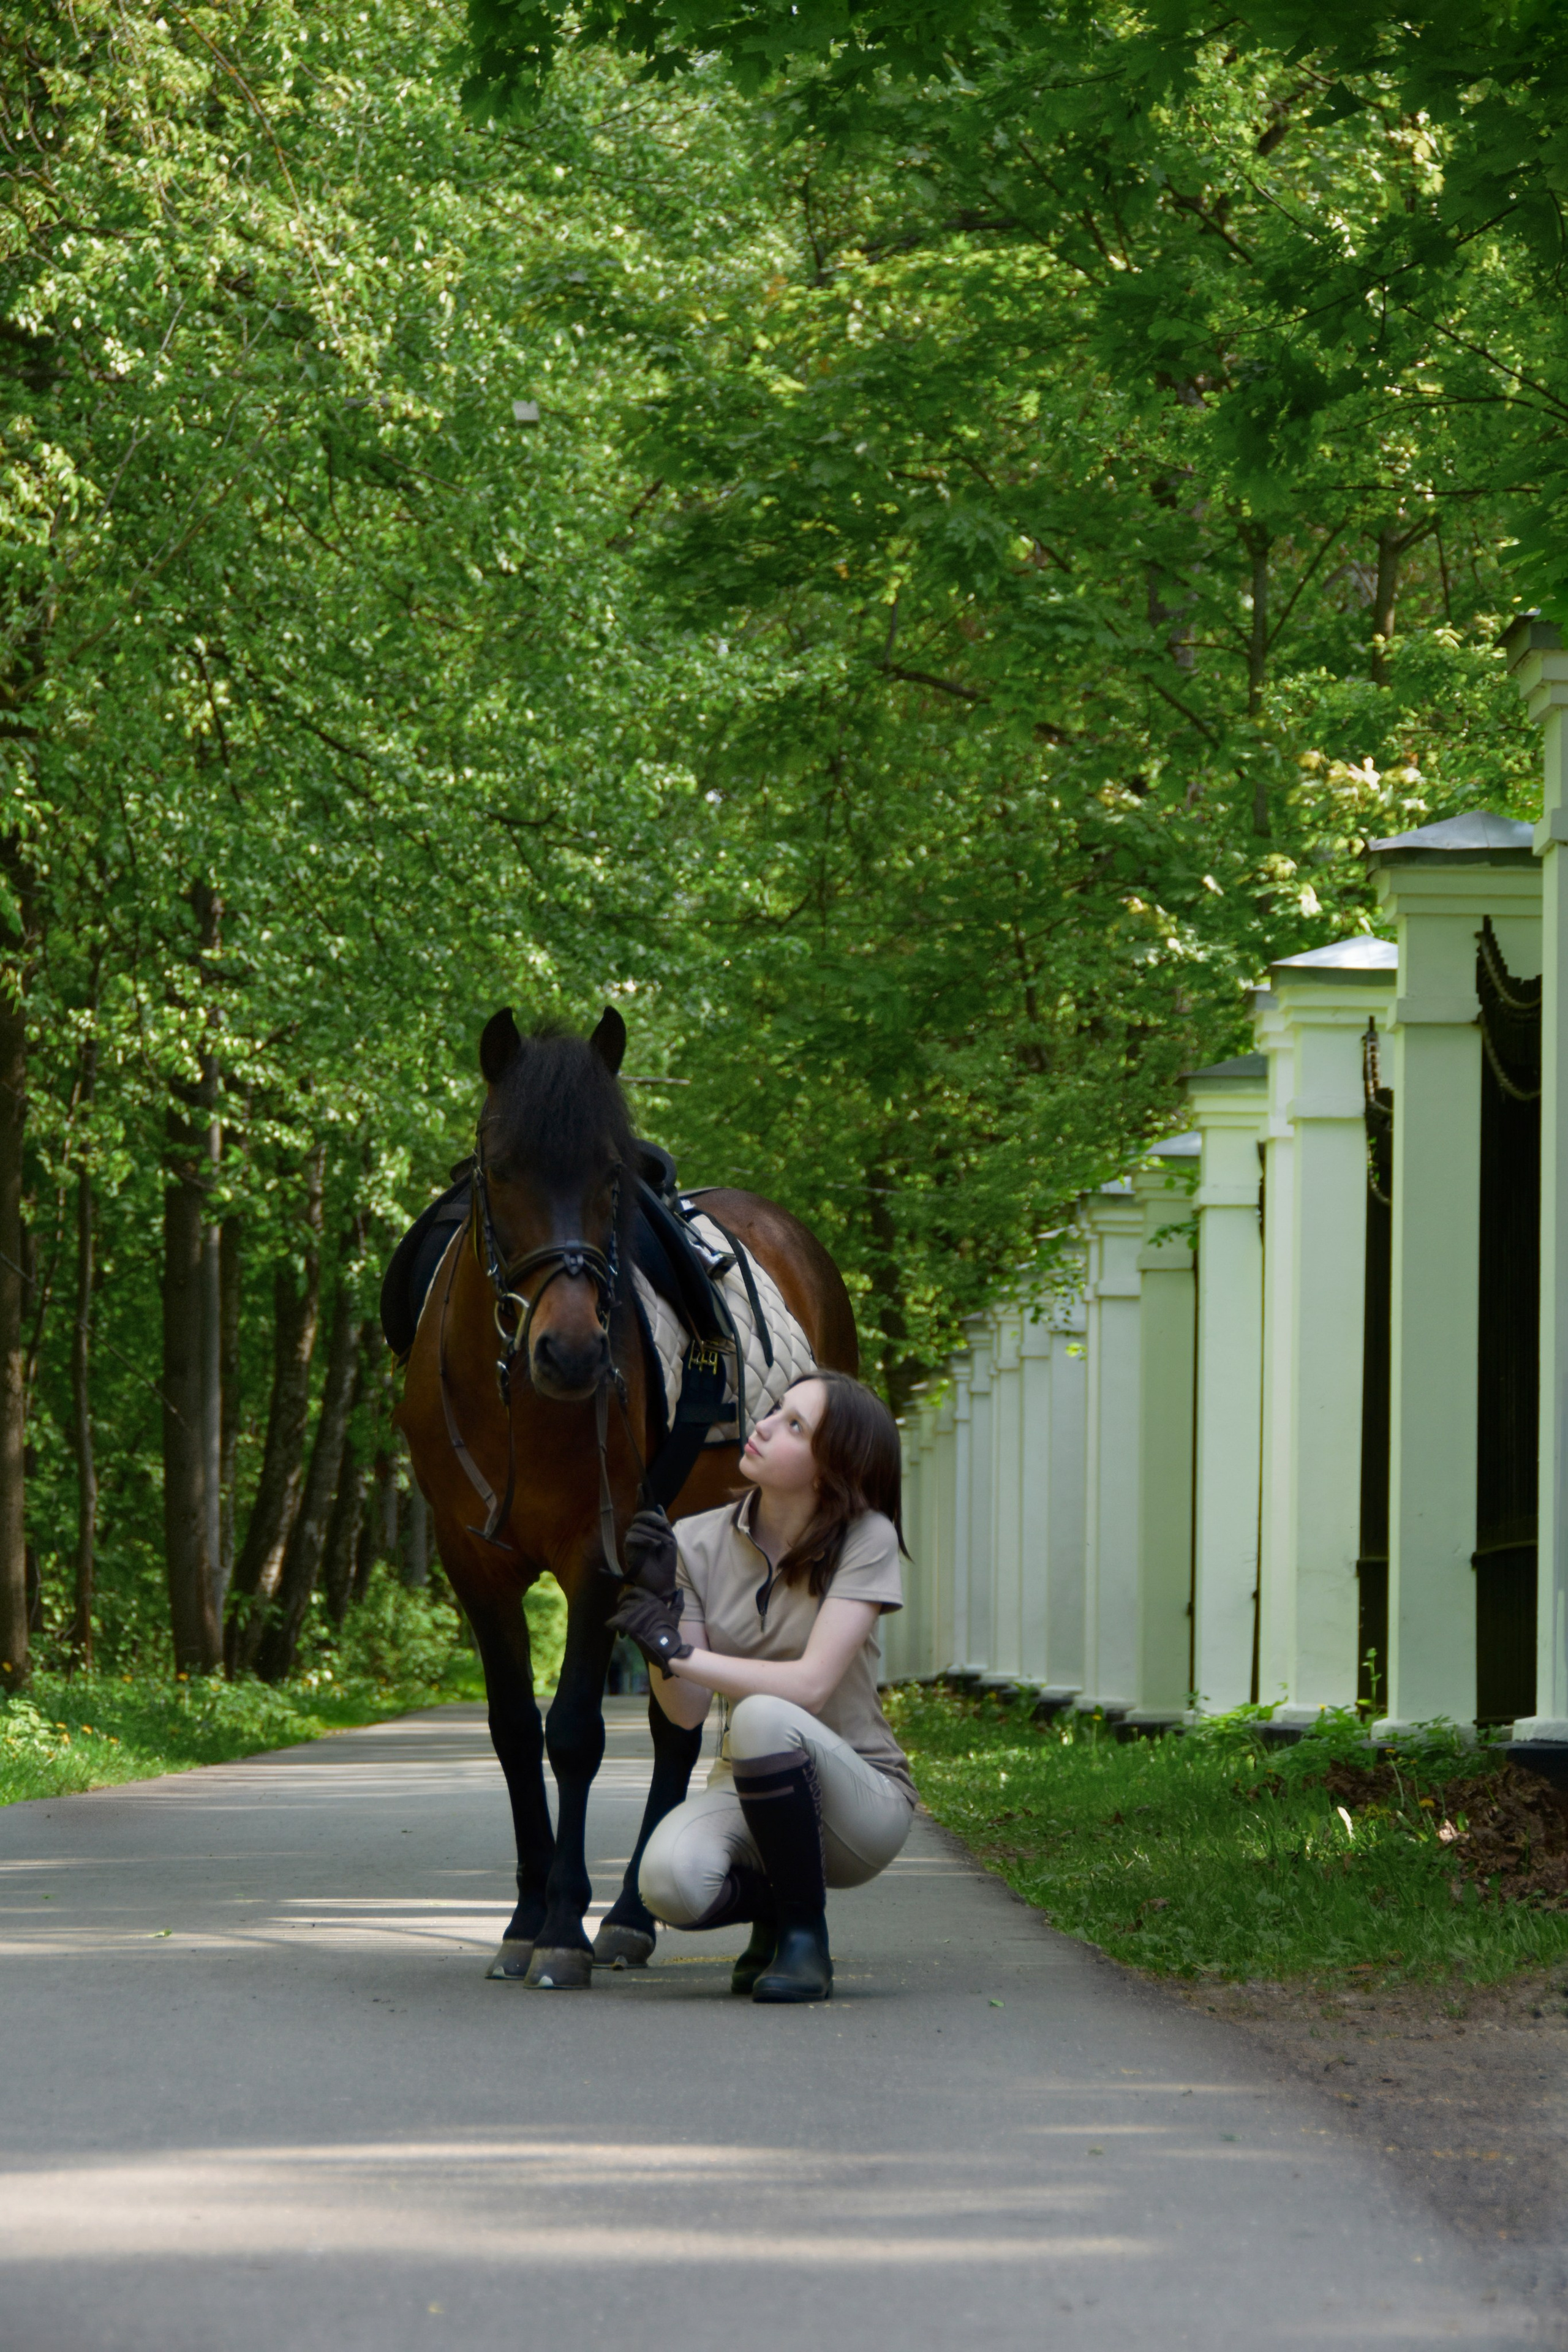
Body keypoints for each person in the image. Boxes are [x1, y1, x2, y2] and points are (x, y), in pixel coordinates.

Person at [608, 1371, 916, 2006]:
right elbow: (687, 1713)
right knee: (664, 1881)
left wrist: (682, 1653)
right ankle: (777, 1912)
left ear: (832, 1468)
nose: (766, 1425)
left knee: (764, 1716)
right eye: (776, 1409)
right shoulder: (692, 1542)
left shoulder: (867, 1539)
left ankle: (805, 1935)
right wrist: (658, 1619)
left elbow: (809, 1686)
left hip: (860, 1802)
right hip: (750, 1795)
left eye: (795, 1426)